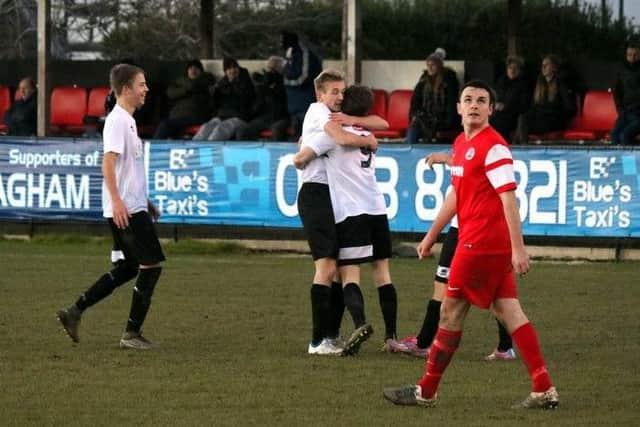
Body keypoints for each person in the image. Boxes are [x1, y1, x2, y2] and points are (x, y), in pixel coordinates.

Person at [383, 80, 559, 409]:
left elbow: (509, 200)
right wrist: (432, 234)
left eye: (482, 100)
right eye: (468, 99)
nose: (474, 104)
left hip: (480, 246)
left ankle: (426, 390)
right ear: (459, 108)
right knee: (509, 310)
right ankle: (543, 386)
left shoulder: (494, 147)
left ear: (491, 109)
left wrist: (518, 248)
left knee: (450, 313)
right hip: (482, 244)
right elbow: (456, 195)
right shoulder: (462, 143)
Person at [56, 63, 166, 350]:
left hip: (132, 205)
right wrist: (119, 201)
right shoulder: (118, 121)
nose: (146, 90)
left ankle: (74, 311)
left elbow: (127, 169)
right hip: (126, 209)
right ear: (127, 89)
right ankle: (131, 334)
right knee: (151, 266)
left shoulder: (126, 120)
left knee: (128, 267)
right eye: (142, 85)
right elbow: (108, 162)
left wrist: (147, 201)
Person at [295, 77, 401, 356]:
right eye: (334, 92)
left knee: (342, 270)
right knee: (332, 267)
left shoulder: (337, 125)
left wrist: (304, 151)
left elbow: (300, 157)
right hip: (330, 197)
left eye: (343, 92)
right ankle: (320, 340)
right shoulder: (324, 117)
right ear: (320, 94)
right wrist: (367, 140)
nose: (339, 97)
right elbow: (370, 128)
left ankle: (335, 334)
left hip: (344, 203)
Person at [388, 152, 515, 361]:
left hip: (473, 230)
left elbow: (468, 176)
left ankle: (424, 343)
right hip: (461, 227)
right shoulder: (468, 142)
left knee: (493, 293)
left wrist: (431, 235)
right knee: (446, 283)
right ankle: (425, 342)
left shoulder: (488, 146)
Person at [516, 54, 576, 143]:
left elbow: (568, 107)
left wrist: (546, 110)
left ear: (554, 68)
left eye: (547, 64)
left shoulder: (561, 83)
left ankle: (519, 148)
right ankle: (520, 147)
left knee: (524, 124)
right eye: (542, 65)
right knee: (523, 119)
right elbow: (534, 105)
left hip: (555, 120)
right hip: (541, 119)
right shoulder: (540, 84)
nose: (543, 67)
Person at [193, 57, 255, 141]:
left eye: (235, 67)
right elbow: (214, 105)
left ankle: (211, 150)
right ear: (225, 71)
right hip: (222, 116)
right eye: (229, 68)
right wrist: (213, 94)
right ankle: (193, 148)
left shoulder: (246, 82)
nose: (232, 70)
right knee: (206, 128)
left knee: (220, 129)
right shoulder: (221, 84)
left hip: (240, 117)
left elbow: (246, 99)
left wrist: (234, 83)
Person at [154, 59, 216, 139]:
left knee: (165, 125)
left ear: (201, 72)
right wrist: (185, 91)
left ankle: (153, 149)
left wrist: (184, 85)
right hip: (177, 116)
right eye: (191, 68)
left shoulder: (204, 82)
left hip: (194, 116)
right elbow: (170, 93)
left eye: (196, 68)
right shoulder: (179, 83)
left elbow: (193, 85)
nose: (193, 70)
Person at [406, 52, 459, 144]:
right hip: (425, 117)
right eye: (428, 65)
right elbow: (415, 102)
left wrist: (447, 123)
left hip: (442, 119)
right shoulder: (423, 81)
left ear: (439, 66)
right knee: (414, 127)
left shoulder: (449, 80)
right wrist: (414, 115)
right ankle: (410, 151)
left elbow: (451, 105)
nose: (430, 68)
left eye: (433, 65)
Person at [237, 56, 290, 141]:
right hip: (264, 118)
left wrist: (275, 86)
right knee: (243, 131)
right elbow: (258, 105)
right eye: (269, 68)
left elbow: (283, 104)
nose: (270, 71)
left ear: (280, 69)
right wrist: (263, 88)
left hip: (280, 118)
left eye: (274, 69)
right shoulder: (264, 83)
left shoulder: (286, 82)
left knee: (276, 131)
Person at [282, 30, 322, 140]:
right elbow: (286, 72)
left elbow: (304, 78)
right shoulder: (291, 54)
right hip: (294, 106)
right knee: (296, 137)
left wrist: (286, 83)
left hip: (305, 104)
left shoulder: (305, 54)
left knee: (307, 137)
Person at [490, 56, 530, 143]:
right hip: (498, 114)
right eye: (510, 68)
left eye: (515, 68)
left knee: (499, 124)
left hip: (514, 116)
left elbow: (524, 106)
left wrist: (506, 107)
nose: (512, 70)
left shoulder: (524, 85)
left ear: (520, 71)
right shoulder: (501, 82)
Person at [611, 42, 640, 145]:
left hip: (638, 114)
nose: (632, 57)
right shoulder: (621, 71)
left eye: (635, 55)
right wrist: (620, 109)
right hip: (625, 112)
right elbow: (617, 92)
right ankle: (619, 161)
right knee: (614, 136)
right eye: (629, 55)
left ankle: (629, 162)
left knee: (625, 136)